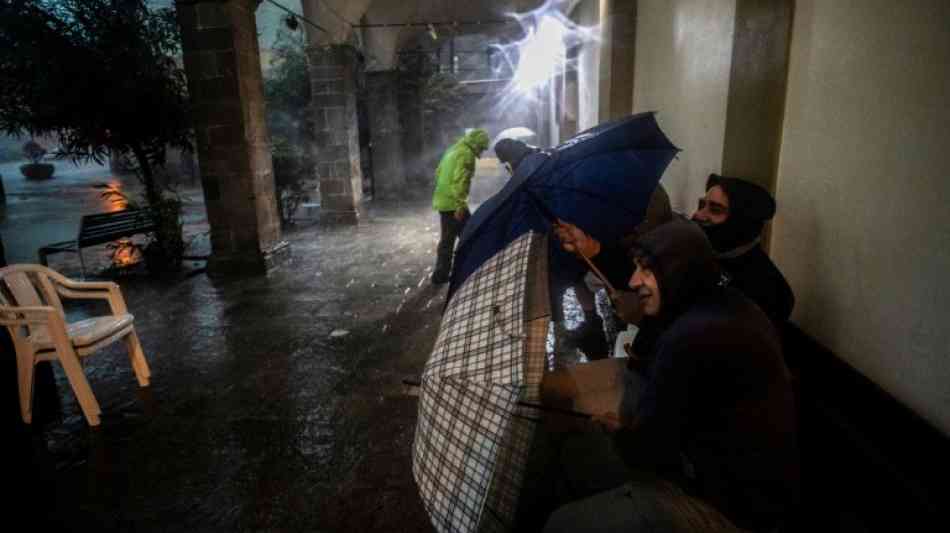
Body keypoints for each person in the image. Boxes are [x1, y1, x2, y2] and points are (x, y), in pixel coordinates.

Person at [544, 220, 799, 532]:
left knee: (561, 524)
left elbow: (648, 452)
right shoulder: (719, 301)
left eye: (647, 270)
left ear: (678, 273)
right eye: (637, 267)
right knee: (579, 459)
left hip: (725, 506)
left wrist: (622, 432)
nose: (634, 279)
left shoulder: (691, 337)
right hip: (714, 470)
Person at [693, 173, 795, 325]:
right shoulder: (699, 256)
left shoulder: (771, 290)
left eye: (715, 210)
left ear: (740, 221)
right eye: (702, 206)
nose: (698, 214)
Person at [430, 128, 490, 284]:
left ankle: (441, 274)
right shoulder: (467, 155)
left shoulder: (454, 148)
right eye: (482, 148)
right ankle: (471, 271)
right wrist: (460, 205)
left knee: (448, 239)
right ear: (477, 144)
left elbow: (438, 172)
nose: (482, 152)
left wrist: (445, 192)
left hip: (443, 199)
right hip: (453, 203)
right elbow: (461, 181)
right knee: (470, 236)